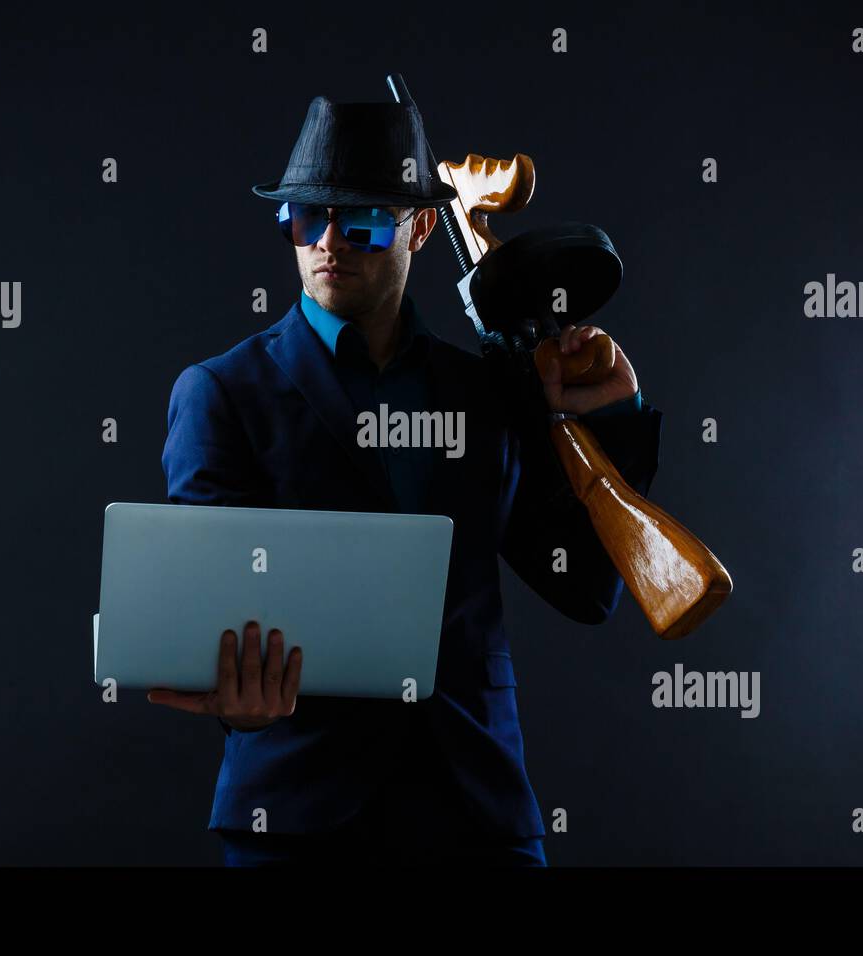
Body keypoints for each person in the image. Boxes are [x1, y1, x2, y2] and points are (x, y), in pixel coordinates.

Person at [150, 95, 663, 866]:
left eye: (360, 222)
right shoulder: (222, 392)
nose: (328, 242)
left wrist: (610, 420)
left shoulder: (492, 392)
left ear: (421, 228)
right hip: (297, 816)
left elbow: (588, 589)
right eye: (305, 216)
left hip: (477, 810)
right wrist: (239, 703)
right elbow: (212, 614)